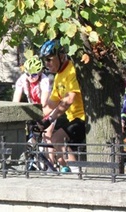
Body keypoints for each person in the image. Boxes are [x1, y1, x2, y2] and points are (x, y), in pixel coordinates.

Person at [39, 39, 87, 173]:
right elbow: (52, 103)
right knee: (57, 147)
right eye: (44, 60)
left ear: (61, 56)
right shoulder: (58, 76)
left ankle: (78, 174)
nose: (46, 64)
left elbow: (69, 99)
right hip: (73, 119)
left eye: (49, 59)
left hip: (84, 118)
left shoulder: (72, 70)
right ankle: (73, 170)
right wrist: (37, 118)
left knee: (57, 138)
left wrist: (50, 119)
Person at [12, 56, 54, 145]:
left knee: (46, 137)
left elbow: (43, 104)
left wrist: (40, 120)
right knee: (32, 141)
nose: (30, 77)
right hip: (34, 110)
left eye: (34, 75)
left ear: (40, 73)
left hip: (47, 110)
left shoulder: (44, 80)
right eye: (28, 74)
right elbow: (15, 102)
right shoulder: (22, 79)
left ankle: (51, 158)